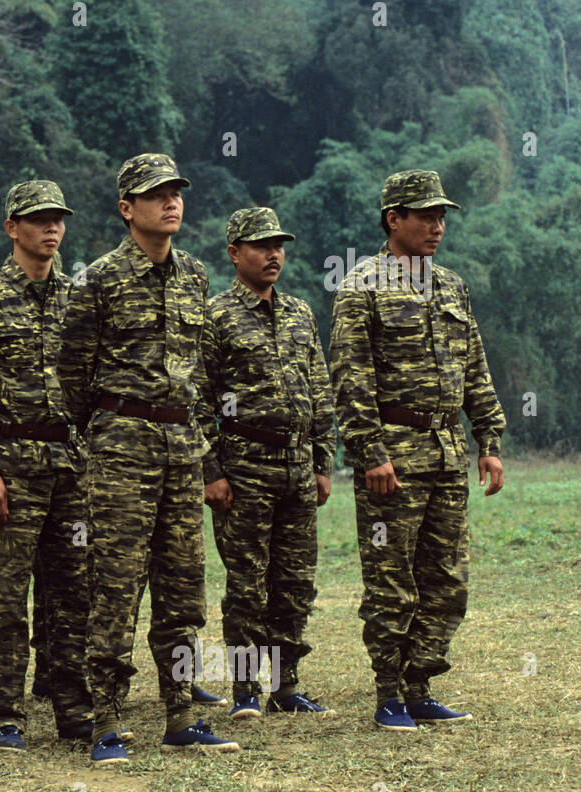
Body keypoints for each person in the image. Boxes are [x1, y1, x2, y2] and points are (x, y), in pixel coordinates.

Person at [60, 153, 239, 766]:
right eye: (155, 194)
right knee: (113, 585)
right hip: (121, 450)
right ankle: (104, 719)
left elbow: (201, 371)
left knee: (183, 586)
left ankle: (181, 713)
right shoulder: (98, 280)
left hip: (181, 449)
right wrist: (107, 434)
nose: (171, 202)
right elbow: (71, 375)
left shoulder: (194, 275)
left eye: (176, 192)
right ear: (126, 209)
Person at [329, 170, 504, 731]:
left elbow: (474, 365)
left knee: (447, 578)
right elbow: (349, 377)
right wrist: (370, 451)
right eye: (425, 215)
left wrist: (489, 439)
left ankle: (420, 686)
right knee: (391, 578)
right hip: (394, 458)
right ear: (393, 219)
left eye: (442, 215)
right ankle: (388, 695)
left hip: (448, 450)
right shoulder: (362, 287)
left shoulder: (452, 286)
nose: (437, 225)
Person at [0, 179, 94, 752]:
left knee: (72, 593)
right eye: (38, 219)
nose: (51, 228)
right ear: (13, 228)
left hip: (71, 462)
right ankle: (4, 712)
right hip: (10, 462)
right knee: (5, 594)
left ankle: (73, 707)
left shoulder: (80, 297)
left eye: (58, 218)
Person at [197, 207, 336, 720]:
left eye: (278, 245)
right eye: (260, 246)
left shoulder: (300, 312)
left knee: (295, 582)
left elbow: (320, 391)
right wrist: (210, 471)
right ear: (235, 253)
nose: (273, 254)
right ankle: (243, 688)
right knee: (247, 583)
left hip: (297, 466)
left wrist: (323, 460)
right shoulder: (214, 317)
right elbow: (197, 401)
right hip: (244, 467)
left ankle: (285, 684)